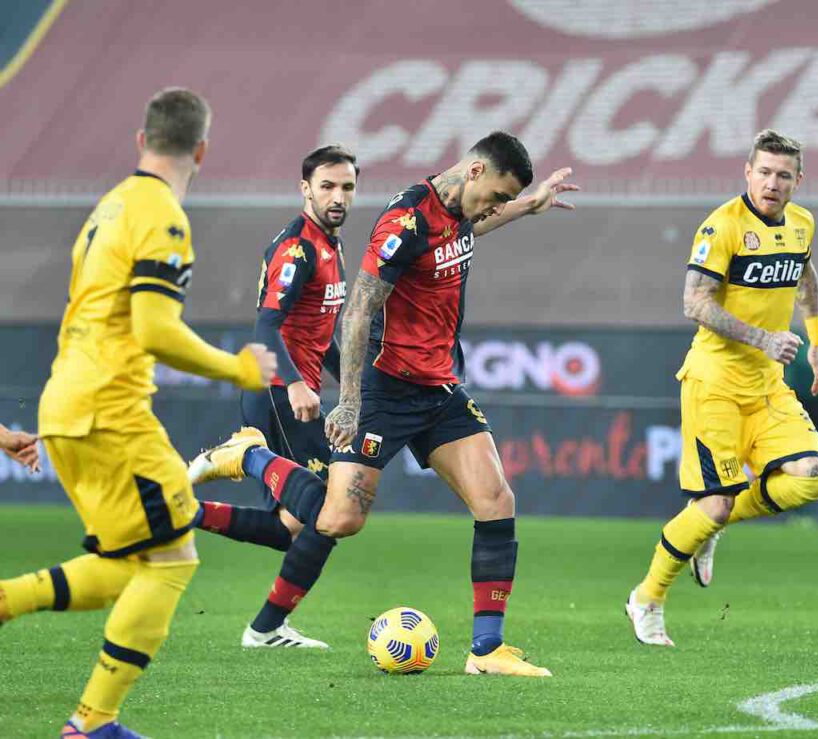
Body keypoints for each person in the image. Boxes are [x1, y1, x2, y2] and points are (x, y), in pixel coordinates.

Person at [191, 131, 577, 677]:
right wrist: (348, 402)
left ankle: (487, 651)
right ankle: (247, 464)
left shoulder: (459, 213)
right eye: (495, 195)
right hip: (386, 390)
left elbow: (471, 228)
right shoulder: (405, 221)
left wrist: (524, 209)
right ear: (472, 173)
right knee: (337, 518)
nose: (494, 206)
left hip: (439, 389)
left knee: (496, 499)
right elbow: (358, 312)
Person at [0, 88, 276, 738]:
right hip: (110, 410)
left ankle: (10, 600)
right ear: (201, 150)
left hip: (64, 402)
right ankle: (93, 721)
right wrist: (237, 367)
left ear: (139, 140)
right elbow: (154, 328)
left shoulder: (109, 206)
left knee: (135, 563)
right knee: (175, 558)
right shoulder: (163, 216)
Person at [625, 129, 818, 647]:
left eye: (784, 175)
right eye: (764, 172)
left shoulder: (802, 224)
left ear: (798, 181)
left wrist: (817, 340)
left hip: (768, 387)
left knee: (812, 477)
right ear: (748, 172)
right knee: (711, 505)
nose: (773, 182)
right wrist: (763, 337)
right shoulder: (722, 227)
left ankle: (710, 524)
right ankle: (647, 599)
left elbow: (807, 278)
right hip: (714, 384)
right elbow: (694, 303)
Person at [189, 145, 358, 649]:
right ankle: (247, 455)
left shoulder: (331, 245)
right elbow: (267, 324)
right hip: (277, 390)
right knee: (330, 510)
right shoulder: (299, 248)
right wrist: (298, 383)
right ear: (305, 188)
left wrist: (350, 385)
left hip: (290, 388)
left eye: (346, 186)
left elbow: (320, 335)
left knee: (289, 527)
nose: (337, 196)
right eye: (327, 185)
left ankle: (186, 513)